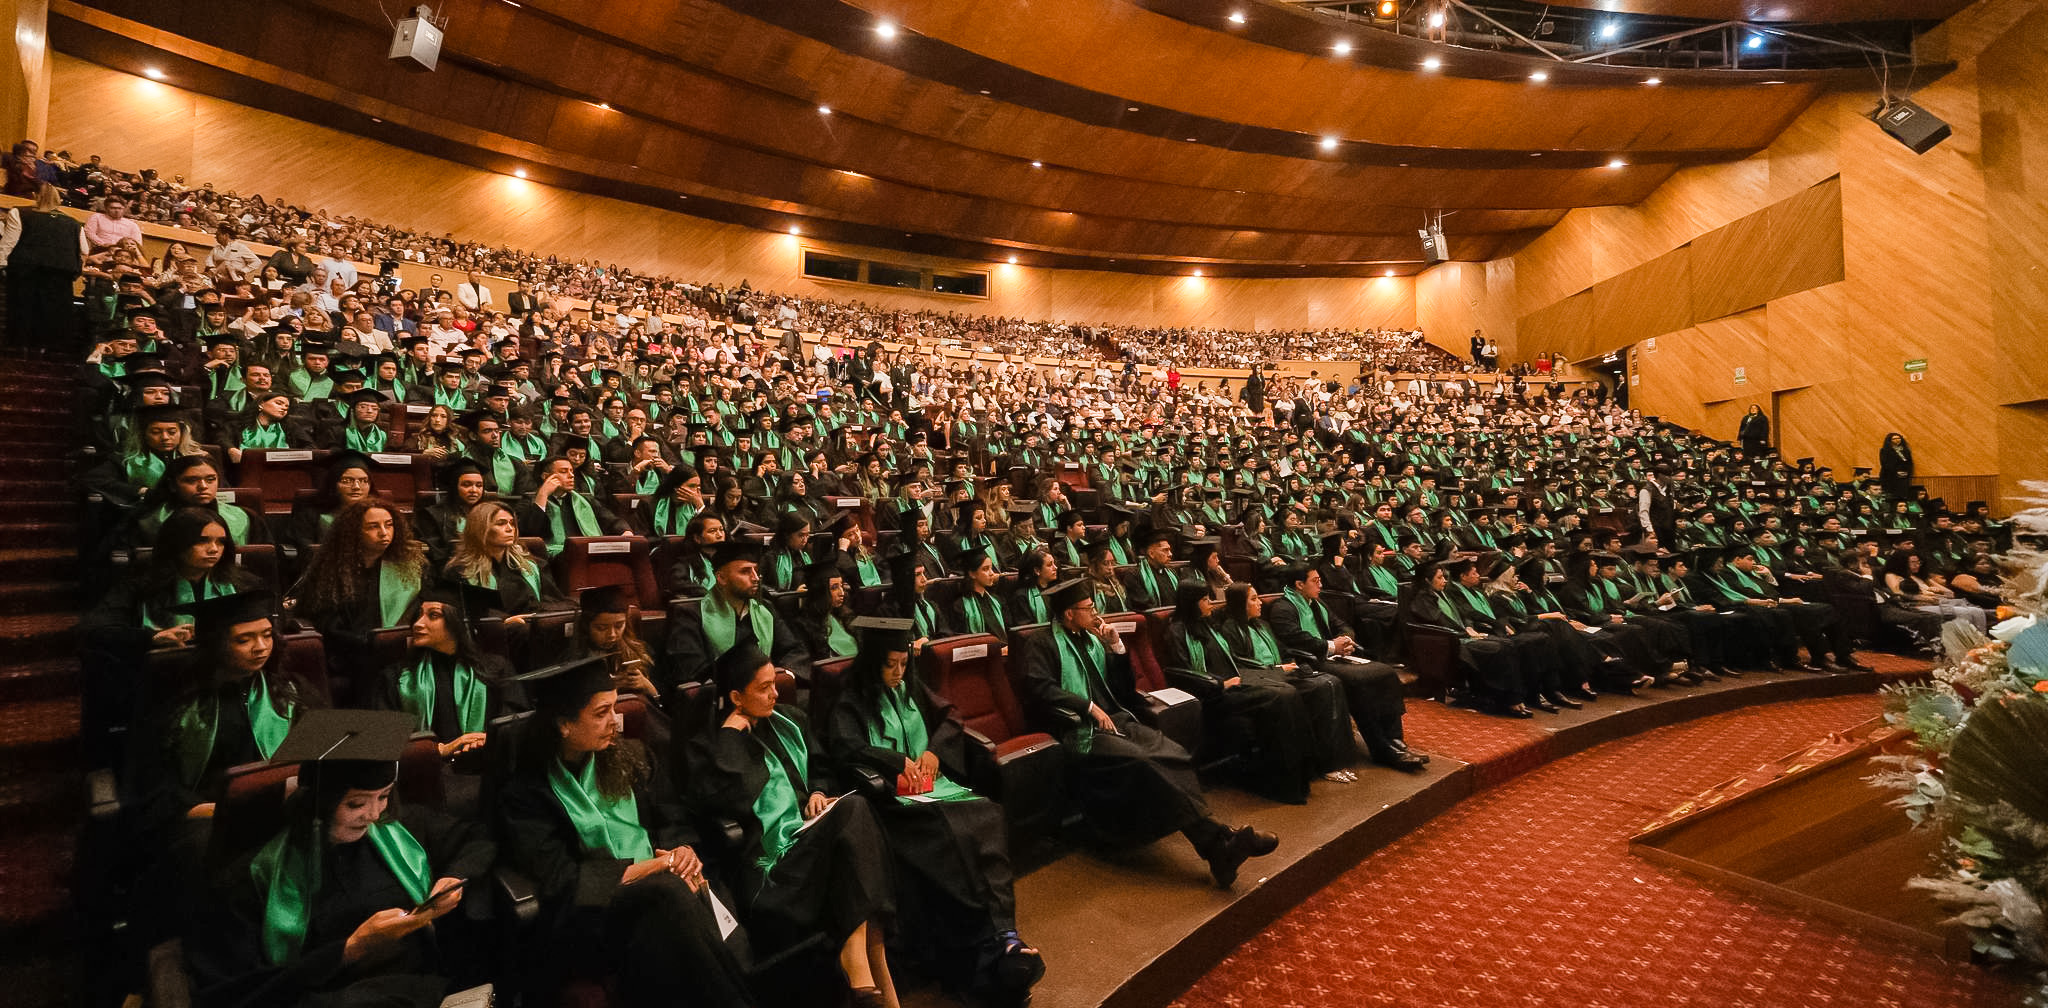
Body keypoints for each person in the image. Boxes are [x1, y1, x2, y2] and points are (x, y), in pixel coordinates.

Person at [182, 710, 492, 1008]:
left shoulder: (406, 829)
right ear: (321, 802)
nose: (373, 815)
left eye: (383, 796)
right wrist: (351, 949)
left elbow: (477, 839)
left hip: (422, 987)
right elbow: (235, 988)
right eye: (356, 803)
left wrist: (453, 878)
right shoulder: (254, 876)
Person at [495, 656, 754, 1008]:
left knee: (690, 894)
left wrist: (682, 855)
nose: (614, 723)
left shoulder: (632, 756)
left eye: (614, 709)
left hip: (662, 896)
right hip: (592, 916)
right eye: (601, 713)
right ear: (563, 725)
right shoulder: (527, 794)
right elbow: (564, 881)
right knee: (670, 896)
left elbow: (672, 820)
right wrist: (658, 869)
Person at [822, 618, 1043, 1002]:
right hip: (893, 804)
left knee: (986, 814)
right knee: (953, 835)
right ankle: (993, 949)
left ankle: (1003, 938)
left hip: (933, 791)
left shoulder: (909, 687)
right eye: (890, 664)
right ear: (873, 661)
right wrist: (893, 760)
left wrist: (933, 751)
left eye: (903, 663)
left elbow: (950, 716)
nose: (898, 671)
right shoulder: (851, 699)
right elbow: (845, 746)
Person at [1013, 579, 1278, 888]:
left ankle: (1218, 844)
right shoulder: (1042, 643)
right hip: (1077, 728)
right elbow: (1039, 687)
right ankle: (1219, 841)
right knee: (1144, 761)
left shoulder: (1093, 640)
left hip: (1115, 719)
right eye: (1088, 609)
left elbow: (1122, 691)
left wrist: (1116, 648)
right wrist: (1087, 707)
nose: (1095, 613)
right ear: (1068, 614)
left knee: (1172, 750)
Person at [686, 646, 899, 1008]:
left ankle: (865, 974)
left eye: (775, 684)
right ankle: (867, 969)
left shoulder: (790, 720)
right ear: (736, 697)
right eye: (763, 688)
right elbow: (729, 801)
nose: (774, 694)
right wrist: (732, 738)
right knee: (857, 815)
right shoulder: (711, 746)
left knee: (853, 817)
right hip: (772, 867)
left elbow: (820, 768)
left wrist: (817, 792)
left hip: (810, 838)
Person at [1161, 584, 1328, 801]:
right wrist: (1221, 684)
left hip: (1235, 681)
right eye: (1204, 600)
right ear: (1191, 603)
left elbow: (1230, 656)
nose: (1209, 603)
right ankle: (1284, 785)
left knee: (1288, 691)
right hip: (1213, 694)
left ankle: (1302, 774)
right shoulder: (1177, 631)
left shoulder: (1208, 624)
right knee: (1280, 696)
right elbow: (1184, 673)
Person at [1262, 567, 1427, 771]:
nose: (1320, 584)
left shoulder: (1317, 602)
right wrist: (1332, 645)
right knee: (1360, 683)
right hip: (1310, 661)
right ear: (1299, 584)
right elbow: (1295, 638)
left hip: (1334, 656)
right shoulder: (1283, 608)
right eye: (1315, 580)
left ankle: (1395, 740)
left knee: (1385, 673)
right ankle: (1381, 748)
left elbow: (1341, 624)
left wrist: (1346, 639)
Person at [288, 497, 427, 684]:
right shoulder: (332, 571)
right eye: (373, 527)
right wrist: (370, 643)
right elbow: (329, 627)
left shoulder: (409, 566)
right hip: (352, 652)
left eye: (389, 525)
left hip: (401, 644)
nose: (384, 533)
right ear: (354, 532)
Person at [663, 541, 811, 696]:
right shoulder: (690, 615)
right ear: (721, 578)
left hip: (767, 694)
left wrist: (781, 675)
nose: (755, 578)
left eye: (756, 571)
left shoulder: (765, 609)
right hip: (721, 701)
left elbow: (794, 651)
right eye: (745, 571)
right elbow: (691, 672)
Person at [444, 500, 569, 619]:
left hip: (535, 624)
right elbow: (464, 615)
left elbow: (553, 600)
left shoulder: (531, 565)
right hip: (499, 632)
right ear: (481, 529)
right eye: (501, 523)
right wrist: (504, 621)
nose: (510, 529)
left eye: (512, 523)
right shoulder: (460, 571)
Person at [4, 183, 84, 351]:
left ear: (35, 195)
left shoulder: (19, 212)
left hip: (26, 268)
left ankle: (20, 345)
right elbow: (84, 250)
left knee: (23, 307)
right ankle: (46, 348)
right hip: (60, 271)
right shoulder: (74, 223)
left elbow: (8, 243)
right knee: (52, 312)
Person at [1878, 433, 1914, 501]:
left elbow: (1910, 463)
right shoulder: (1885, 450)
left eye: (1899, 438)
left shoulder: (1906, 450)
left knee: (1903, 496)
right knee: (1891, 496)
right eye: (1894, 439)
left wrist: (1908, 472)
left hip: (1904, 477)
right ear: (1889, 440)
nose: (1897, 440)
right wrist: (1896, 473)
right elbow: (1885, 464)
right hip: (1890, 477)